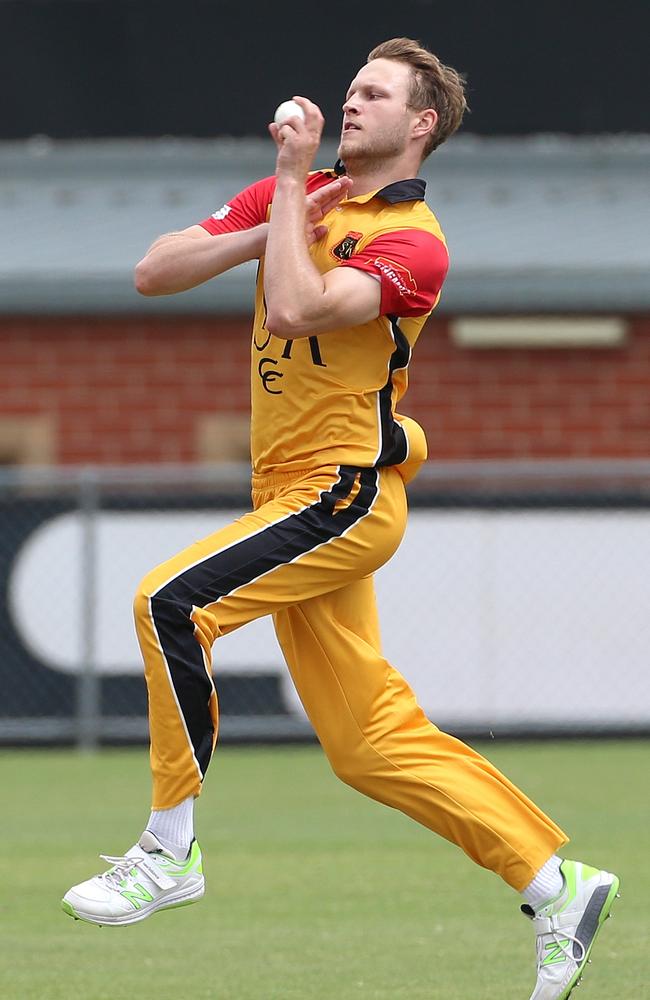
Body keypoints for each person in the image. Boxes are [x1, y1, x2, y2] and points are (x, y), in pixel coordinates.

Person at [62, 38, 618, 1000]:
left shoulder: (415, 241)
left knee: (169, 604)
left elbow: (294, 308)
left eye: (375, 94)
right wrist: (281, 204)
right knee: (366, 743)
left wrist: (285, 187)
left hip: (342, 494)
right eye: (351, 88)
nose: (349, 103)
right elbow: (154, 271)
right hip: (285, 490)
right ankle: (555, 882)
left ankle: (169, 850)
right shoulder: (303, 197)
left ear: (421, 125)